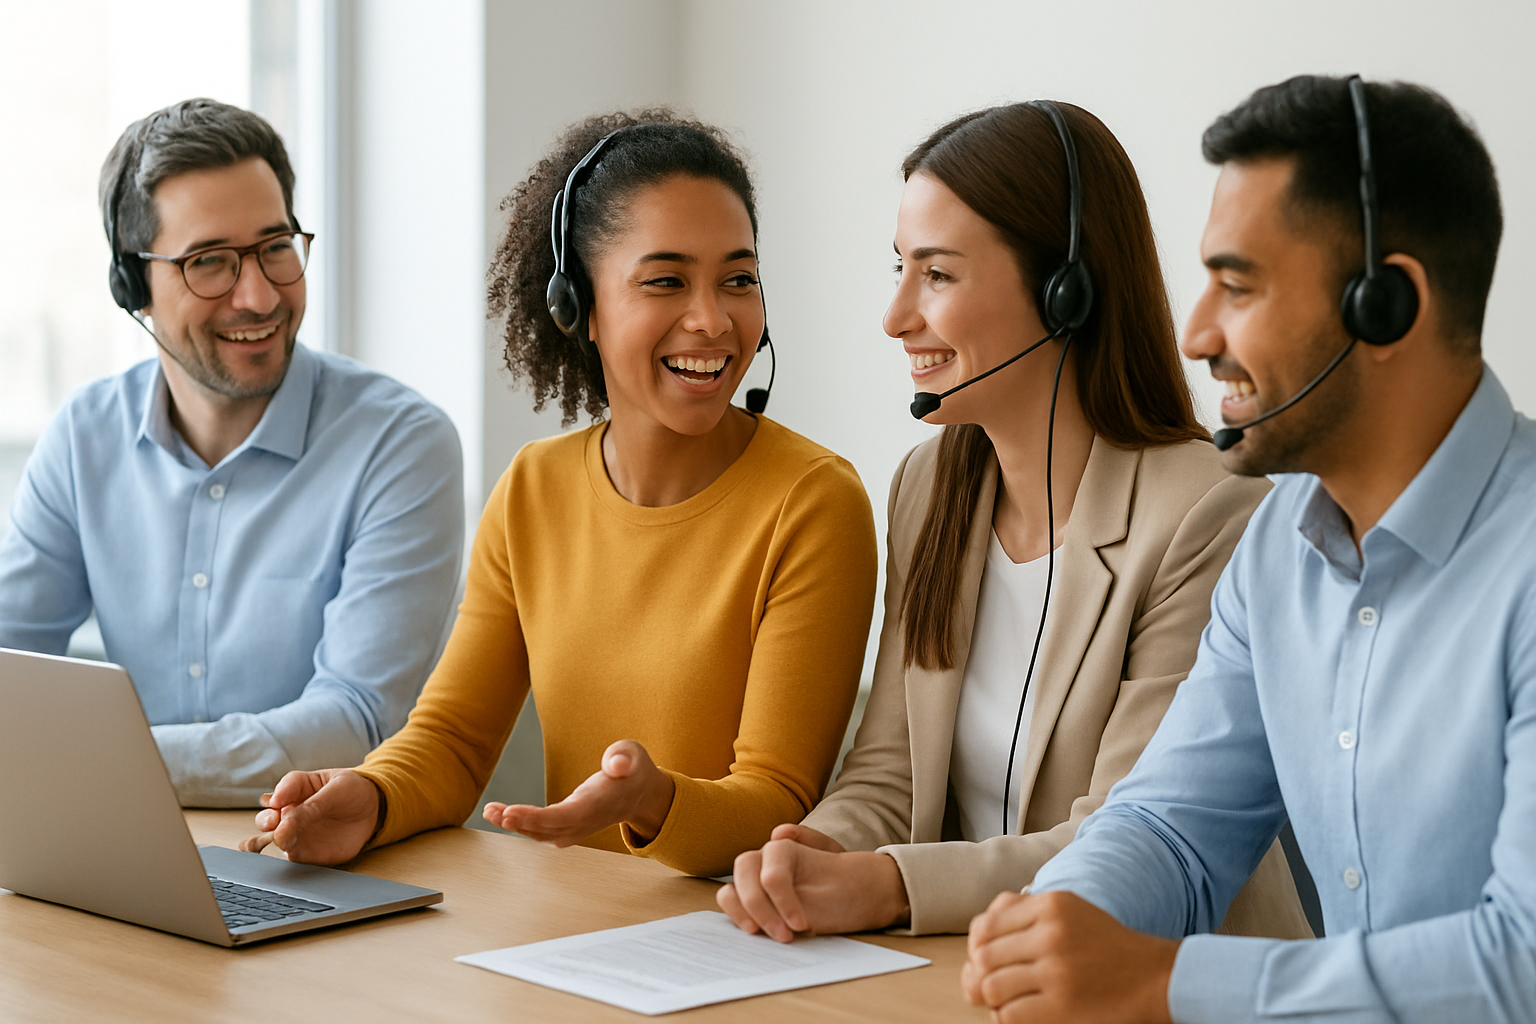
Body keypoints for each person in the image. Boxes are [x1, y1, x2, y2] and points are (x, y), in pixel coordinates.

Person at [963, 75, 1533, 1024]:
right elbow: (1171, 824)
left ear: (1386, 304)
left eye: (1238, 286)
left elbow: (1521, 963)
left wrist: (1159, 983)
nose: (1196, 333)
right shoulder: (1279, 543)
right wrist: (1062, 923)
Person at [717, 101, 1309, 940]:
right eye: (900, 268)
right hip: (988, 966)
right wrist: (814, 852)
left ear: (1065, 292)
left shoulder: (1210, 509)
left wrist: (890, 885)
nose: (895, 316)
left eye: (938, 275)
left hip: (1162, 971)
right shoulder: (929, 489)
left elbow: (1127, 838)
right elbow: (888, 774)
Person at [240, 111, 879, 879]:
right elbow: (453, 740)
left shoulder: (813, 501)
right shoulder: (533, 489)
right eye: (666, 280)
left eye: (738, 280)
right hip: (571, 920)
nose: (713, 319)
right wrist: (371, 797)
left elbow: (778, 799)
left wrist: (652, 801)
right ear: (577, 305)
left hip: (735, 926)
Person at [0, 99, 464, 807]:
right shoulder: (83, 437)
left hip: (328, 851)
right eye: (209, 262)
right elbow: (10, 660)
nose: (258, 296)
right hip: (125, 835)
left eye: (275, 247)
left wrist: (110, 765)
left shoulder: (400, 444)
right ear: (133, 287)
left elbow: (354, 722)